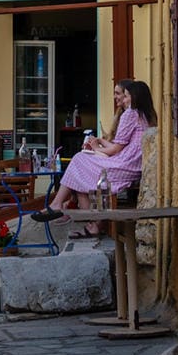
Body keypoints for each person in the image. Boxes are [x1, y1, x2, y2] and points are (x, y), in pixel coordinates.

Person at [31, 80, 158, 238]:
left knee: (79, 159)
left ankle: (62, 206)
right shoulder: (147, 116)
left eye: (125, 96)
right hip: (133, 167)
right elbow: (123, 145)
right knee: (80, 169)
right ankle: (91, 223)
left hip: (122, 167)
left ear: (135, 97)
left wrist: (96, 148)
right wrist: (99, 144)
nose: (123, 100)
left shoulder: (130, 114)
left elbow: (116, 149)